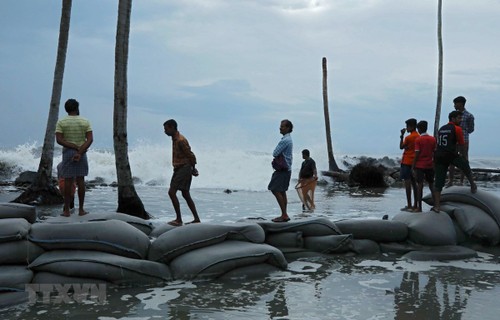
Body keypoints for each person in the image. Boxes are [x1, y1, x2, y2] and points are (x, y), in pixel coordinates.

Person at [433, 111, 477, 212]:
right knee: (465, 166)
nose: (460, 120)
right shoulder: (457, 129)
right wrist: (464, 157)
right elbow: (461, 145)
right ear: (452, 119)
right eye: (459, 118)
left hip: (439, 156)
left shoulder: (442, 128)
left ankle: (437, 206)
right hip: (450, 155)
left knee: (438, 182)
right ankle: (473, 185)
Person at [55, 98, 93, 217]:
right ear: (77, 108)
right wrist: (79, 152)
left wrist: (72, 147)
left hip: (68, 152)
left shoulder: (61, 122)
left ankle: (66, 210)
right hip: (82, 152)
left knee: (68, 180)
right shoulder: (85, 121)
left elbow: (59, 140)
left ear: (66, 109)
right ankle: (81, 210)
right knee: (80, 180)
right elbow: (90, 139)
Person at [163, 119, 200, 226]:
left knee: (172, 192)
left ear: (172, 128)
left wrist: (193, 169)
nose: (165, 131)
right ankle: (196, 219)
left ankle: (179, 220)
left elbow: (191, 155)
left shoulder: (180, 140)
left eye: (166, 129)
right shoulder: (174, 139)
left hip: (184, 168)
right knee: (185, 193)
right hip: (180, 168)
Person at [269, 119, 293, 222]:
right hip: (287, 169)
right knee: (282, 191)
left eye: (282, 126)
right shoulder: (289, 139)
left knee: (274, 189)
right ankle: (284, 214)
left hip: (282, 169)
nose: (280, 128)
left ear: (288, 128)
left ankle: (284, 214)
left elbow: (275, 153)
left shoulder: (285, 140)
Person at [448, 96, 475, 186]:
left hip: (464, 139)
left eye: (455, 104)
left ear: (461, 104)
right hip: (453, 139)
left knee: (464, 159)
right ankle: (450, 180)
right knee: (452, 159)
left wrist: (463, 131)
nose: (454, 105)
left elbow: (471, 129)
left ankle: (461, 181)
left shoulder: (469, 116)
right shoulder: (453, 115)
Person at [411, 121, 436, 212]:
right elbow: (434, 152)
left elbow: (417, 153)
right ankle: (436, 205)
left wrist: (413, 166)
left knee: (419, 186)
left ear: (420, 129)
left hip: (420, 165)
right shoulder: (432, 139)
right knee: (431, 185)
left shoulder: (418, 140)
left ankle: (419, 207)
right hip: (429, 164)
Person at [399, 118, 419, 212]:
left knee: (408, 184)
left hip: (407, 161)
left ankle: (409, 205)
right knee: (415, 184)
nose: (406, 128)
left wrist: (402, 135)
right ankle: (416, 205)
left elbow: (401, 147)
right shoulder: (418, 136)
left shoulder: (408, 138)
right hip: (415, 162)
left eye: (407, 126)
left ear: (412, 126)